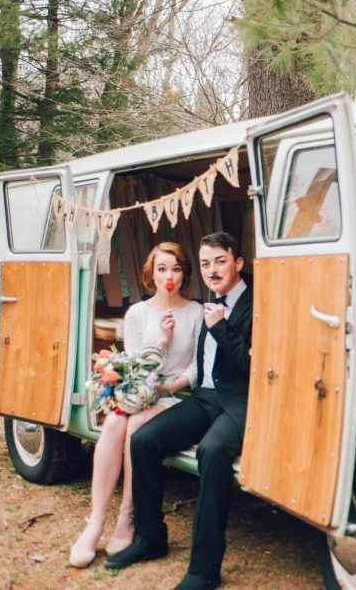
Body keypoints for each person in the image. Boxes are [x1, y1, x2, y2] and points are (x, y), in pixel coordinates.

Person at [104, 232, 252, 590]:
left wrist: (221, 327)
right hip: (205, 398)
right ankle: (150, 537)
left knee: (213, 452)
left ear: (238, 263)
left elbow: (254, 365)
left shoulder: (257, 304)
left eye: (220, 261)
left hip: (240, 402)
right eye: (205, 263)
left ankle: (203, 569)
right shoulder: (206, 304)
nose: (212, 269)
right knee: (143, 440)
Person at [69, 242, 203, 568]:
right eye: (161, 269)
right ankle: (96, 523)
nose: (168, 276)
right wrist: (162, 341)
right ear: (151, 274)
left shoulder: (197, 311)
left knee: (137, 426)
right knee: (115, 422)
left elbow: (197, 368)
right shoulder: (138, 313)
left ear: (184, 274)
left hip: (174, 397)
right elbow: (132, 366)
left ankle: (126, 518)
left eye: (175, 269)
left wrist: (170, 385)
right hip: (140, 392)